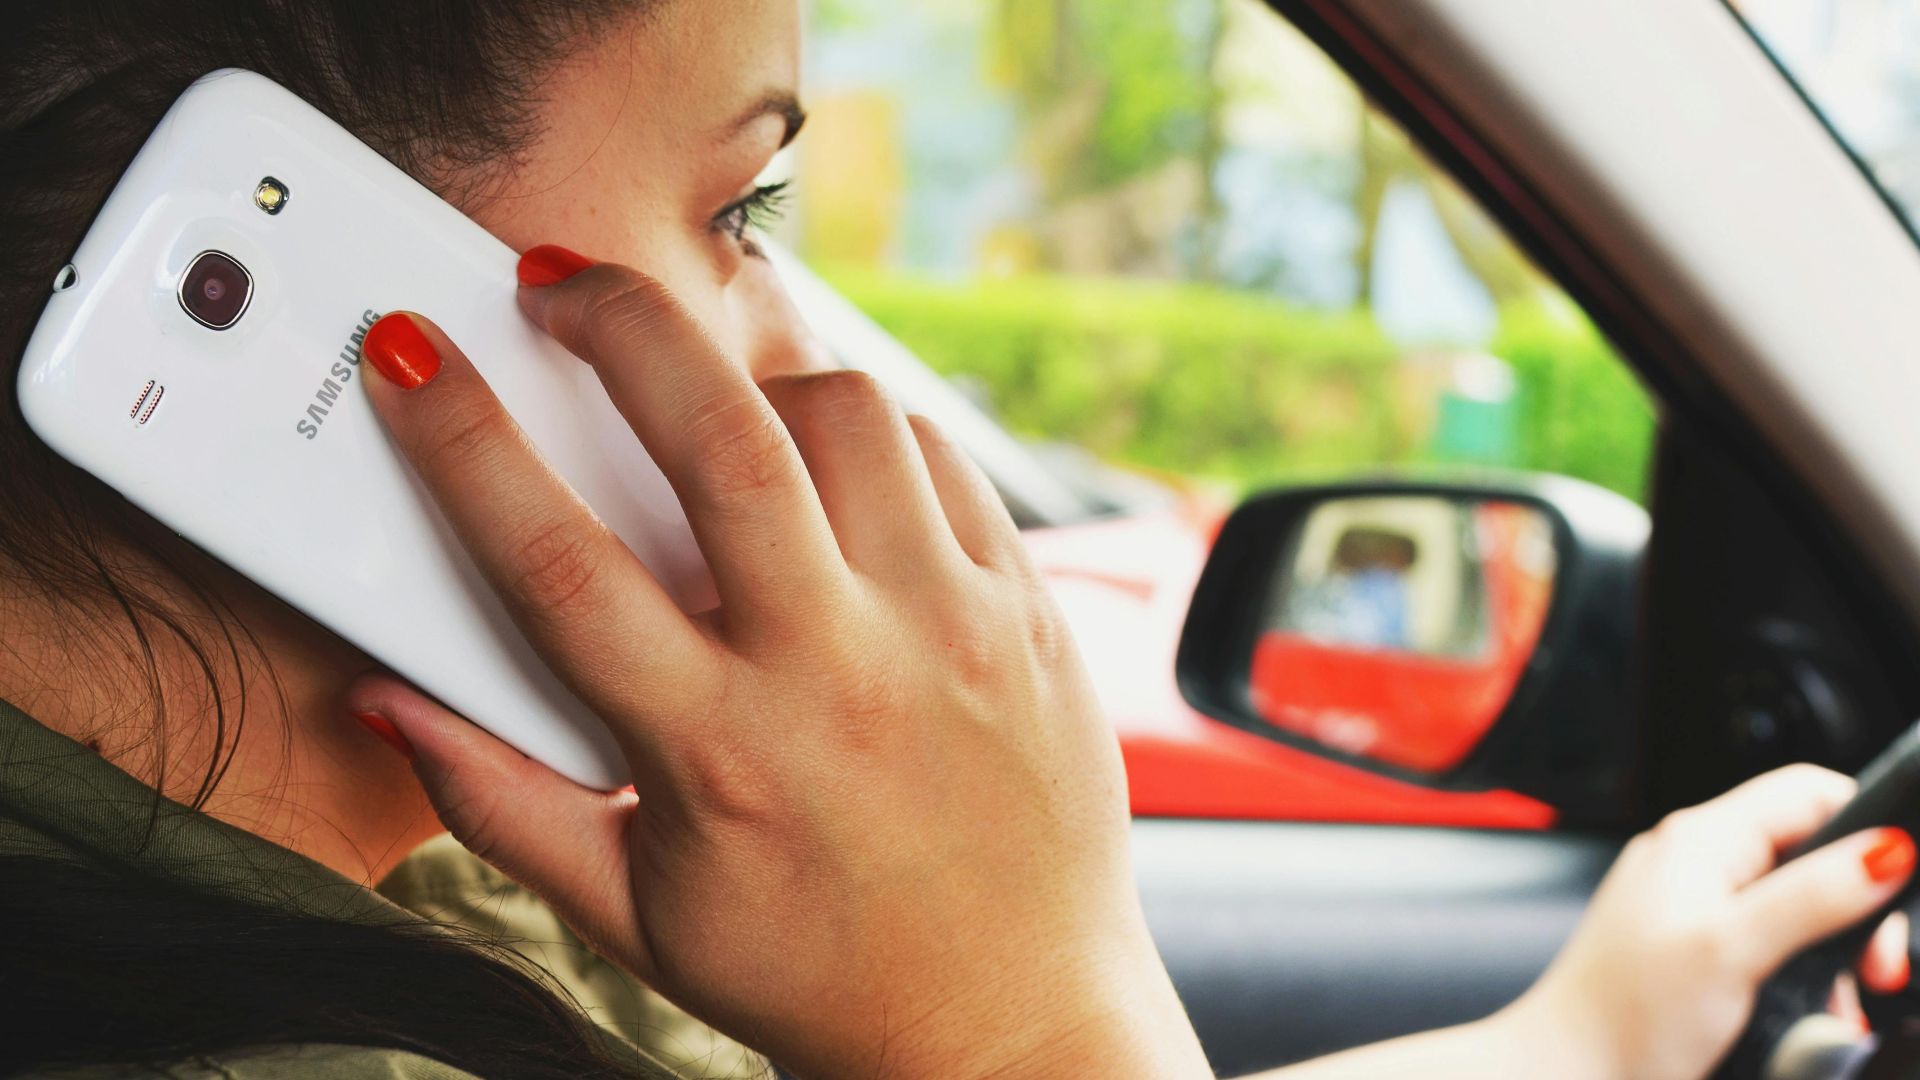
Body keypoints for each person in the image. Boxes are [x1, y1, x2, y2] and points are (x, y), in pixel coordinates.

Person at [0, 3, 1912, 1078]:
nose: (814, 361)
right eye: (743, 203)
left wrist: (1574, 1045)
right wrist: (1019, 1017)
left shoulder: (407, 875)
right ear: (334, 268)